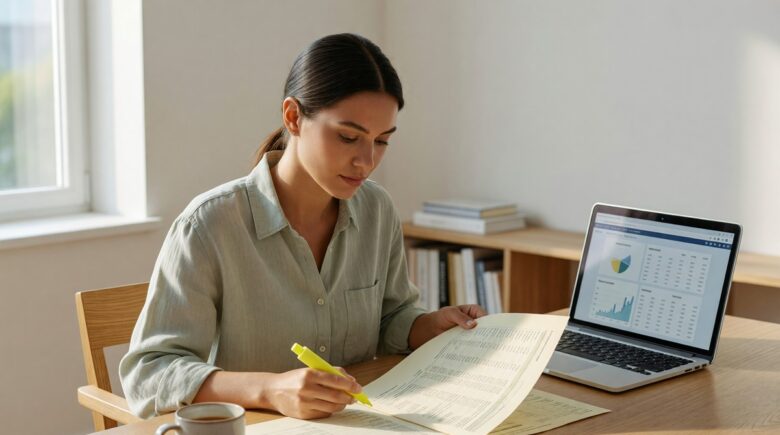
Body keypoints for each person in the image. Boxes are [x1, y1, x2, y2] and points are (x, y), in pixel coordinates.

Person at [119, 33, 485, 420]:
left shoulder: (377, 210)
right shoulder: (210, 225)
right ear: (293, 117)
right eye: (348, 137)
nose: (366, 161)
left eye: (381, 141)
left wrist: (428, 325)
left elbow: (391, 318)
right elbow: (149, 372)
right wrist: (270, 390)